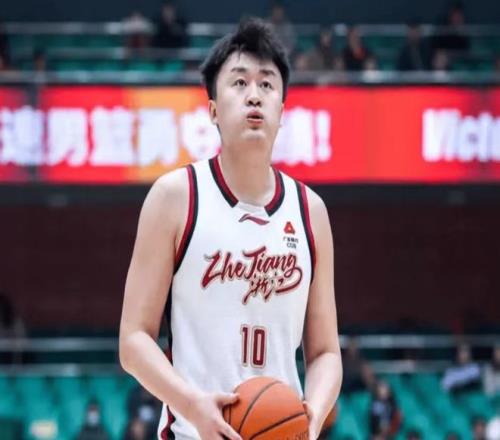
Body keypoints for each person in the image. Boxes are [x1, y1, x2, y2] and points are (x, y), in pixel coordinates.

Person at [119, 17, 342, 440]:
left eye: (267, 84)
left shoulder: (310, 211)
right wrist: (191, 405)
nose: (254, 95)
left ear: (282, 111)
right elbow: (133, 341)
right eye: (239, 83)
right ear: (213, 110)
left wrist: (311, 417)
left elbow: (326, 352)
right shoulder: (175, 197)